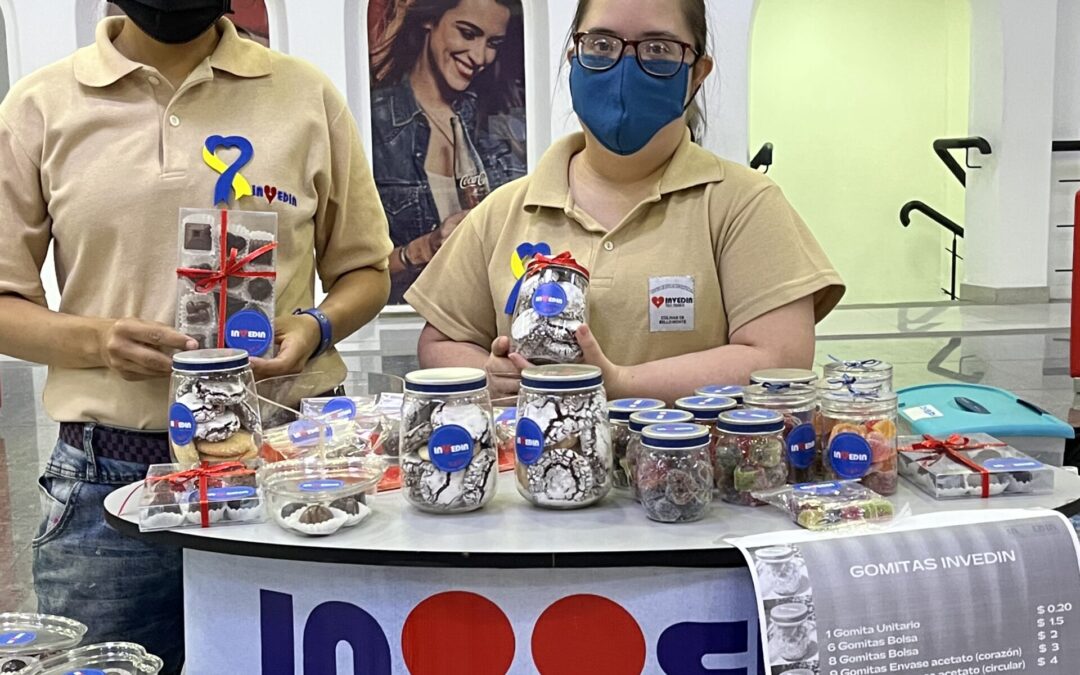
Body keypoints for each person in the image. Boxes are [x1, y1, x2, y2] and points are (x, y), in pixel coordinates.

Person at [0, 1, 392, 671]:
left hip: (285, 468)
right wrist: (97, 342)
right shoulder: (40, 106)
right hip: (109, 483)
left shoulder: (306, 96)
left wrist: (314, 327)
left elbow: (366, 269)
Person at [406, 0, 846, 401]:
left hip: (689, 479)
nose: (624, 65)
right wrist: (488, 372)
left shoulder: (744, 205)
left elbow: (779, 359)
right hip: (535, 479)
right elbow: (440, 342)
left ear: (697, 73)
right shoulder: (503, 211)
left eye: (658, 48)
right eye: (601, 43)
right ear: (573, 57)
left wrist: (617, 383)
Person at [369, 0, 527, 304]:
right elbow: (348, 270)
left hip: (492, 326)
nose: (481, 56)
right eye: (468, 34)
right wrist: (424, 248)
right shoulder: (374, 122)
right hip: (402, 327)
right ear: (431, 20)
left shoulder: (504, 123)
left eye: (493, 43)